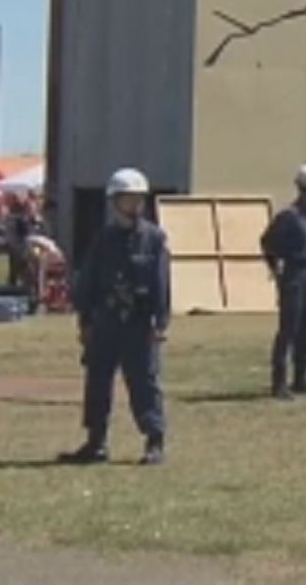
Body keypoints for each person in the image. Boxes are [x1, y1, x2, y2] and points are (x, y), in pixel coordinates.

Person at [61, 167, 170, 466]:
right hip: (106, 321)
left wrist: (160, 323)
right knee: (97, 381)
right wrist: (84, 320)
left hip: (139, 322)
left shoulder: (154, 239)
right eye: (128, 200)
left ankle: (154, 440)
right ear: (114, 202)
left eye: (138, 200)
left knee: (144, 383)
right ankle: (96, 442)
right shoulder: (103, 240)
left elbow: (162, 284)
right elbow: (89, 282)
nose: (134, 206)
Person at [261, 164, 306, 400]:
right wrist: (275, 267)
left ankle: (301, 377)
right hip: (295, 276)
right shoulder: (289, 216)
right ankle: (279, 382)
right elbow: (267, 242)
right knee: (289, 328)